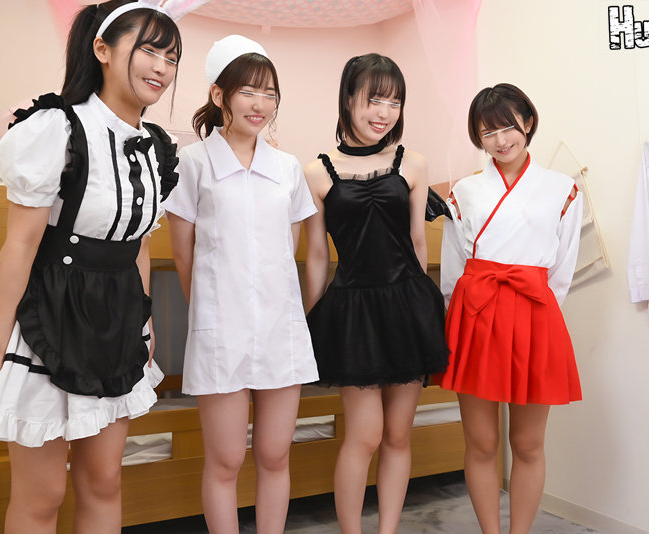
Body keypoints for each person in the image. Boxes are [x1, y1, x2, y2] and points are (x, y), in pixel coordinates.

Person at [0, 1, 189, 532]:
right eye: (149, 51)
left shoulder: (155, 147)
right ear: (102, 49)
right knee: (42, 495)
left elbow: (136, 246)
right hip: (52, 314)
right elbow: (20, 245)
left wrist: (146, 321)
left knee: (103, 481)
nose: (162, 67)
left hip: (118, 319)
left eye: (171, 58)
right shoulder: (57, 127)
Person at [163, 35, 319, 534]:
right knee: (227, 459)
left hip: (280, 329)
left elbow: (289, 250)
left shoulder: (287, 168)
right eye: (248, 91)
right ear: (219, 95)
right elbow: (183, 253)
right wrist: (210, 313)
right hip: (221, 330)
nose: (260, 104)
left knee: (275, 455)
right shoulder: (193, 162)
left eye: (269, 93)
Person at [303, 53, 448, 534]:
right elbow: (317, 255)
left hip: (407, 304)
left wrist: (425, 308)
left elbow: (418, 241)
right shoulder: (317, 171)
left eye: (394, 102)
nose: (384, 112)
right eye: (374, 100)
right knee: (364, 436)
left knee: (398, 435)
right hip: (353, 311)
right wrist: (311, 320)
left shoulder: (413, 162)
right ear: (349, 99)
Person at [438, 83, 582, 534]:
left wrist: (536, 315)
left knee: (527, 442)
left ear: (528, 123)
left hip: (535, 313)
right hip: (475, 314)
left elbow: (562, 268)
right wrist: (454, 319)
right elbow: (453, 268)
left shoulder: (563, 189)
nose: (500, 141)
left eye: (508, 127)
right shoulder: (464, 190)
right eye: (487, 133)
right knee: (481, 443)